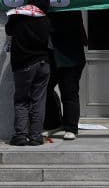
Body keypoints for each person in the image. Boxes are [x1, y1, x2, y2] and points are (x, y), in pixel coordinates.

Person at [5, 0, 52, 146]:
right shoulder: (46, 19)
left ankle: (20, 136)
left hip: (23, 64)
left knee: (21, 100)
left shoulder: (18, 16)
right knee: (38, 101)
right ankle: (36, 137)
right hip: (43, 64)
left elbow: (8, 30)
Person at [43, 10, 87, 140]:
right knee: (45, 89)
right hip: (53, 58)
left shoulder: (69, 10)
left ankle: (71, 127)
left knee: (69, 93)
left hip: (70, 59)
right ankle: (54, 123)